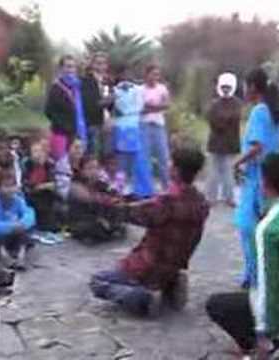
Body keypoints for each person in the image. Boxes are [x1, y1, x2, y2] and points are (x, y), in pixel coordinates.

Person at [207, 154, 279, 360]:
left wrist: (262, 333)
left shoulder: (268, 227)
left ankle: (268, 348)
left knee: (216, 304)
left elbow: (265, 281)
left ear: (264, 183)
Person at [88, 143, 209, 316]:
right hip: (173, 265)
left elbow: (128, 212)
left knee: (98, 281)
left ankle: (141, 298)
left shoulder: (166, 203)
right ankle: (170, 285)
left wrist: (106, 201)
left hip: (146, 266)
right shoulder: (201, 203)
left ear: (175, 169)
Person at [234, 68, 279, 288]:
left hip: (257, 177)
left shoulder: (259, 112)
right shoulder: (276, 112)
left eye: (246, 85)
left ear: (253, 87)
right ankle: (262, 274)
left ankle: (254, 275)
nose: (244, 90)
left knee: (247, 226)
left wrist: (237, 162)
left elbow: (257, 146)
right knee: (265, 225)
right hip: (273, 175)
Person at [113, 65, 153, 198]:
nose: (126, 76)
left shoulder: (137, 89)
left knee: (138, 158)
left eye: (129, 73)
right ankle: (119, 189)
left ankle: (142, 190)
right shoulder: (115, 90)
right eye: (123, 74)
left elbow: (140, 106)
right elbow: (113, 107)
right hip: (121, 127)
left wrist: (126, 111)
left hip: (134, 126)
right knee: (122, 159)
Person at [205, 72, 242, 207]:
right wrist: (224, 121)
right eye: (224, 87)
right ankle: (210, 198)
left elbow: (233, 118)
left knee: (228, 172)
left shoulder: (237, 104)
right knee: (213, 172)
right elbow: (212, 119)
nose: (226, 89)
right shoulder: (215, 103)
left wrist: (222, 121)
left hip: (229, 143)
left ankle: (229, 198)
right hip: (215, 142)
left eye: (228, 87)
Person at [0, 170, 36, 270]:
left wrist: (21, 224)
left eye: (13, 186)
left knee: (24, 233)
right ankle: (4, 255)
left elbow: (29, 214)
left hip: (16, 231)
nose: (10, 190)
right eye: (6, 186)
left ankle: (21, 256)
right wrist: (10, 226)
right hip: (2, 233)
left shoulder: (18, 200)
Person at [45, 55, 83, 160]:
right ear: (61, 69)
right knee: (60, 164)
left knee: (74, 163)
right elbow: (48, 111)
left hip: (76, 133)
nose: (71, 70)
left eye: (73, 67)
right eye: (68, 66)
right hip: (61, 133)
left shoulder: (76, 87)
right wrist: (64, 125)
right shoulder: (56, 88)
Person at [141, 65, 171, 191]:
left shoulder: (162, 89)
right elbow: (140, 109)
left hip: (158, 125)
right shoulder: (140, 90)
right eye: (152, 74)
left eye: (157, 75)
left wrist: (152, 107)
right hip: (144, 125)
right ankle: (148, 187)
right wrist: (156, 107)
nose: (155, 77)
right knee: (145, 158)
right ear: (146, 75)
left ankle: (166, 186)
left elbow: (167, 105)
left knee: (163, 157)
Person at [82, 52, 113, 156]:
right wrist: (106, 101)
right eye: (98, 63)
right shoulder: (86, 80)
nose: (101, 66)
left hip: (107, 124)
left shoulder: (107, 80)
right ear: (93, 65)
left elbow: (110, 104)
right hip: (93, 124)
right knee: (93, 155)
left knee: (106, 154)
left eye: (103, 63)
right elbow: (89, 104)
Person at [22, 140, 57, 232]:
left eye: (40, 151)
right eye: (35, 151)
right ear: (30, 154)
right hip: (31, 196)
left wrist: (42, 167)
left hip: (46, 196)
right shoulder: (26, 164)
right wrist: (40, 186)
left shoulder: (49, 164)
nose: (38, 154)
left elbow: (53, 183)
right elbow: (27, 185)